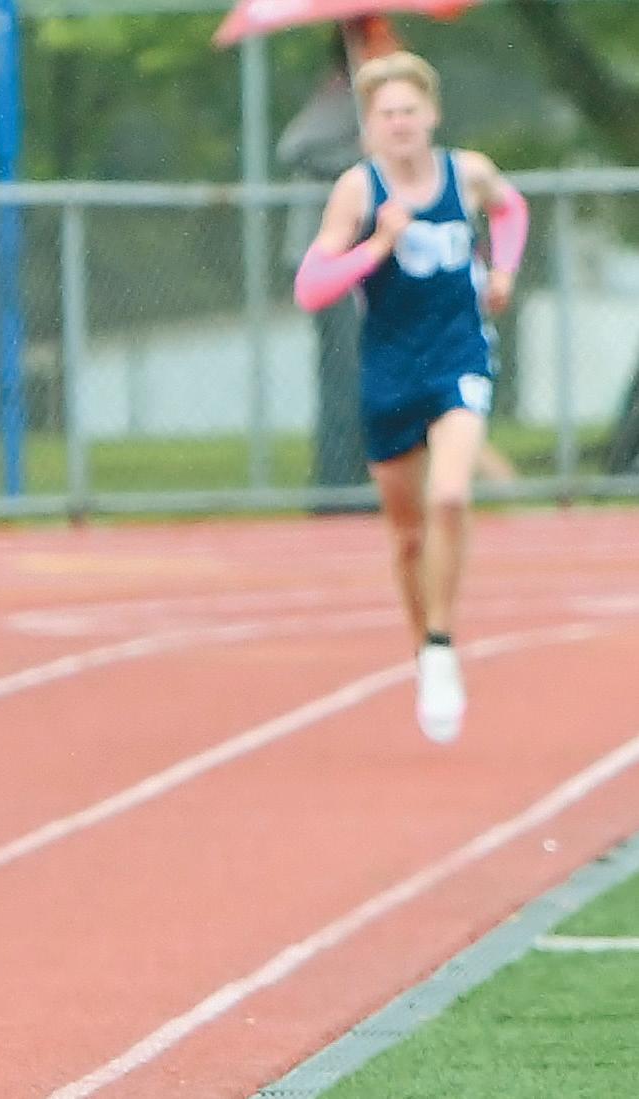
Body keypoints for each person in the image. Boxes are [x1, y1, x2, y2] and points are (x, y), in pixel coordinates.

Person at [293, 51, 529, 743]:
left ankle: (443, 644)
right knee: (407, 536)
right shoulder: (358, 191)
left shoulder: (469, 173)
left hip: (459, 357)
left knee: (449, 496)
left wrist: (505, 271)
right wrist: (377, 245)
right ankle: (425, 646)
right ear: (369, 127)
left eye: (409, 110)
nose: (399, 123)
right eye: (386, 113)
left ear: (432, 115)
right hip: (391, 369)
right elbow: (311, 287)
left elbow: (512, 209)